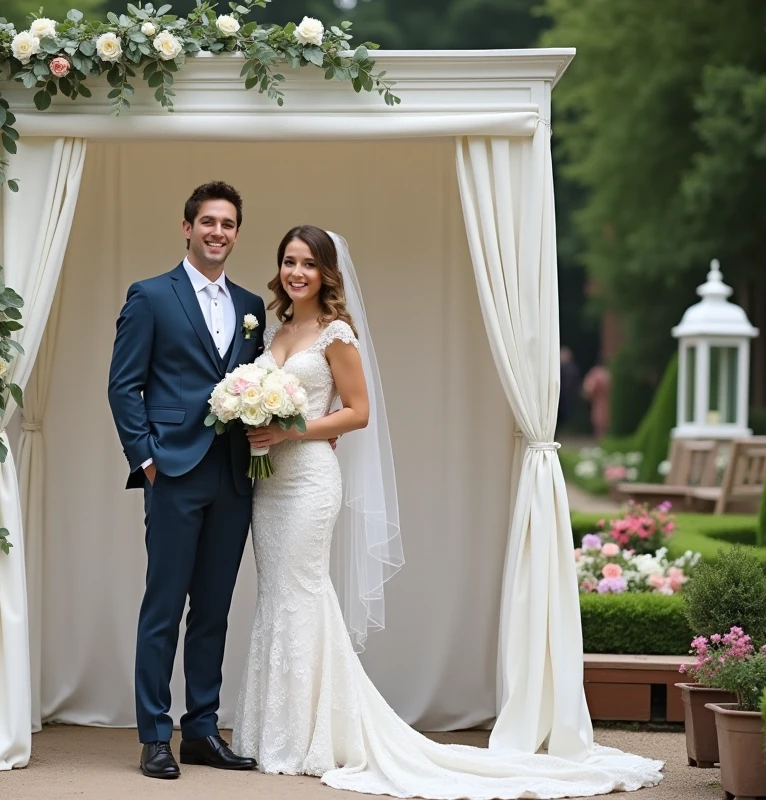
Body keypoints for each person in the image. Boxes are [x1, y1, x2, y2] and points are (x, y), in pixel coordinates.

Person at [231, 225, 664, 798]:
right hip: (270, 485)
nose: (296, 272)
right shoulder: (277, 329)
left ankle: (313, 736)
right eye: (289, 261)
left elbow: (358, 413)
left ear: (326, 272)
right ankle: (274, 732)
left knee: (303, 593)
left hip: (309, 480)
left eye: (308, 263)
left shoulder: (337, 333)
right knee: (276, 595)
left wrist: (290, 429)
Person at [107, 181, 264, 779]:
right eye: (208, 222)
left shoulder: (252, 304)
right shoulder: (150, 296)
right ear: (187, 227)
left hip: (233, 476)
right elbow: (124, 385)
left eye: (228, 224)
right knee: (164, 606)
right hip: (172, 471)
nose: (217, 232)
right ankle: (154, 735)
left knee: (216, 610)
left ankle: (201, 730)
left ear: (236, 232)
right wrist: (146, 459)